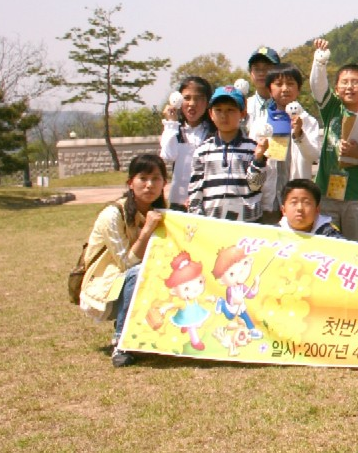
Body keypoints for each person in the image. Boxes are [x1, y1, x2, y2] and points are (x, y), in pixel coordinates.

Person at [77, 154, 168, 367]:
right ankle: (122, 342)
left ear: (165, 182)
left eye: (156, 179)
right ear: (130, 183)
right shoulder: (112, 215)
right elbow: (127, 265)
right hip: (105, 291)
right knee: (138, 273)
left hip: (135, 285)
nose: (149, 185)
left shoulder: (161, 213)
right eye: (143, 178)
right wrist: (147, 231)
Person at [309, 39, 358, 243]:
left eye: (355, 82)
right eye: (344, 82)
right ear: (336, 88)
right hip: (327, 194)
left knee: (357, 252)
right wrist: (320, 61)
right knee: (327, 250)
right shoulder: (332, 109)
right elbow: (317, 86)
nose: (349, 87)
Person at [254, 62, 322, 225]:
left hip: (296, 201)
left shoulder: (308, 121)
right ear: (270, 90)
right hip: (269, 200)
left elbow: (314, 155)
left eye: (290, 84)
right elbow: (254, 157)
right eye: (278, 84)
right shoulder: (261, 122)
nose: (285, 88)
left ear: (298, 89)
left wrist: (299, 134)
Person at [188, 86, 265, 222]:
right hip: (212, 221)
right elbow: (196, 190)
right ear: (211, 114)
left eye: (230, 110)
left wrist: (258, 159)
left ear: (242, 114)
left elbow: (255, 185)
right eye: (218, 110)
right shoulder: (202, 151)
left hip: (247, 222)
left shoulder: (253, 148)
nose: (224, 115)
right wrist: (197, 219)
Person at [159, 75, 213, 210]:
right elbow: (167, 155)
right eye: (187, 98)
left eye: (199, 98)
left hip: (208, 201)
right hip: (179, 201)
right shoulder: (174, 130)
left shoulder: (215, 131)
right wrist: (171, 123)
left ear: (207, 103)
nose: (192, 103)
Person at [279, 178, 344, 238]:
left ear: (317, 210)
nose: (300, 208)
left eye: (306, 203)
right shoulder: (273, 233)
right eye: (294, 202)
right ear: (283, 210)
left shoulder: (331, 236)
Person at [245, 46, 281, 125]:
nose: (261, 73)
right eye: (257, 69)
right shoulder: (244, 107)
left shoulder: (288, 106)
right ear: (250, 73)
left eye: (267, 68)